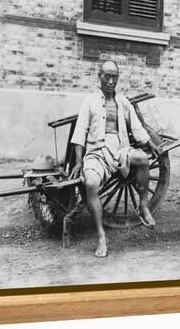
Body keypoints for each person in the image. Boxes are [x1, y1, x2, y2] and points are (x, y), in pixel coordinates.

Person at [69, 60, 163, 257]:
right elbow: (80, 132)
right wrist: (78, 161)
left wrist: (151, 144)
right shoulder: (90, 102)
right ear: (99, 77)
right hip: (97, 152)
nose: (111, 81)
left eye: (115, 77)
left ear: (118, 79)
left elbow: (137, 128)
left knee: (143, 159)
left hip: (120, 150)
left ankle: (143, 205)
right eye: (107, 76)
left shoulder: (123, 103)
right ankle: (101, 236)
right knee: (92, 184)